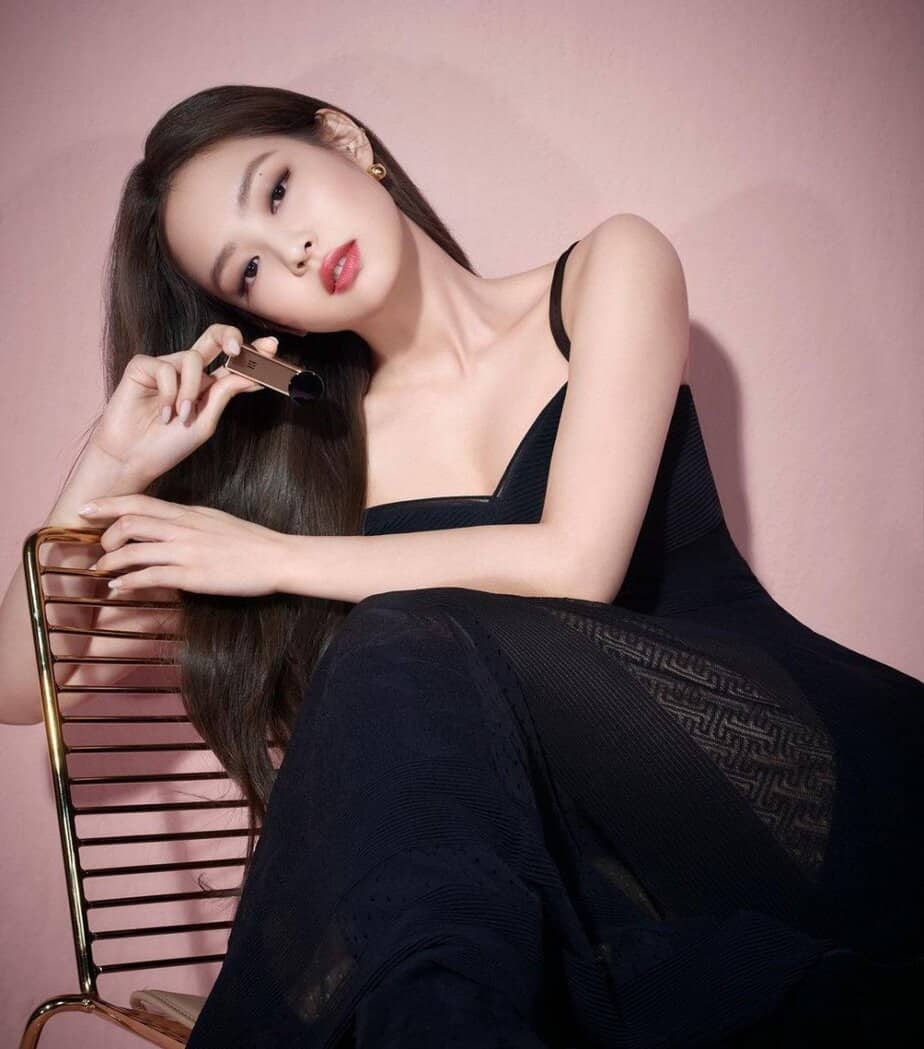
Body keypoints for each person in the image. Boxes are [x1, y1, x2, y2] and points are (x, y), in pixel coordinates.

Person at [2, 83, 922, 1047]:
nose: (295, 252)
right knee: (453, 948)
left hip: (787, 786)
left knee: (397, 631)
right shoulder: (308, 472)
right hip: (588, 897)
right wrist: (112, 461)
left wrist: (275, 558)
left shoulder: (606, 270)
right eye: (252, 271)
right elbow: (19, 687)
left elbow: (575, 563)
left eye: (276, 192)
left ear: (342, 140)